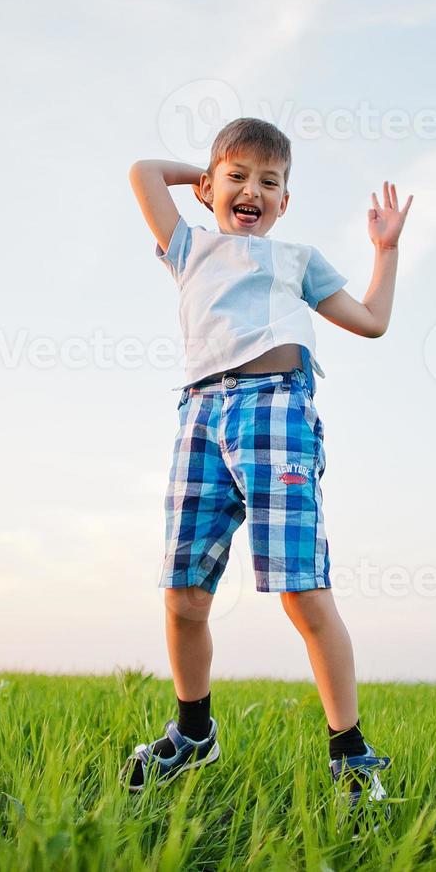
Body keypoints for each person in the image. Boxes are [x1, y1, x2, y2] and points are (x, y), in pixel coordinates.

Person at [122, 117, 413, 816]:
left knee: (300, 589)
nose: (252, 190)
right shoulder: (188, 247)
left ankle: (351, 755)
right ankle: (193, 735)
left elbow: (372, 320)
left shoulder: (296, 259)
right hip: (199, 414)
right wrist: (203, 172)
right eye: (237, 177)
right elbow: (140, 172)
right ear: (208, 189)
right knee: (182, 593)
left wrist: (385, 250)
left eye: (269, 182)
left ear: (286, 201)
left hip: (276, 412)